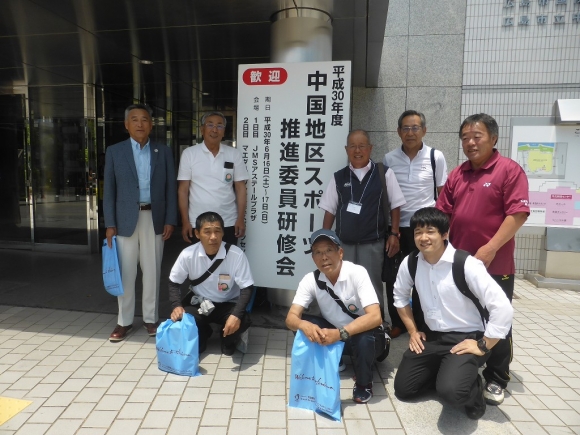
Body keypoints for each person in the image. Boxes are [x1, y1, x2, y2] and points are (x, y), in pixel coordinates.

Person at [436, 113, 529, 406]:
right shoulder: (457, 174)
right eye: (465, 138)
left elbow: (518, 214)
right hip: (459, 266)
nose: (470, 142)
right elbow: (443, 215)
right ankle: (464, 365)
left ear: (493, 138)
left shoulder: (509, 171)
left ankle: (497, 377)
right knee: (464, 315)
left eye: (477, 136)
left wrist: (490, 248)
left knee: (497, 318)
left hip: (495, 265)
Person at [393, 207, 513, 420]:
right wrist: (412, 331)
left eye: (430, 231)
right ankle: (449, 374)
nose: (423, 237)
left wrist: (483, 344)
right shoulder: (411, 262)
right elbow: (400, 297)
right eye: (418, 232)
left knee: (451, 393)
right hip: (431, 337)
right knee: (404, 389)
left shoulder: (466, 264)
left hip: (466, 339)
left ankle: (471, 389)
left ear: (444, 234)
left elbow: (502, 306)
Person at [104, 103, 177, 342]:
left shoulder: (163, 151)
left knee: (152, 270)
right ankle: (123, 321)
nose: (139, 124)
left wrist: (170, 219)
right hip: (125, 220)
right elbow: (109, 191)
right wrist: (110, 223)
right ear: (126, 125)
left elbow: (170, 189)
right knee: (125, 273)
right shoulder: (115, 151)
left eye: (144, 119)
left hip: (154, 218)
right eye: (134, 119)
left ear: (151, 124)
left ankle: (150, 318)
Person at [318, 129, 405, 324]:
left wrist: (394, 234)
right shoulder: (339, 177)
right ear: (346, 149)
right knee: (343, 285)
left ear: (370, 148)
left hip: (372, 244)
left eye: (362, 146)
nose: (357, 150)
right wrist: (325, 241)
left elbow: (396, 205)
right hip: (343, 246)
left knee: (372, 287)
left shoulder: (384, 174)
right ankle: (344, 324)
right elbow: (329, 210)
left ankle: (376, 329)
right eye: (353, 146)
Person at [286, 229, 382, 403]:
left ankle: (364, 383)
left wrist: (340, 334)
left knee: (364, 336)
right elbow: (291, 318)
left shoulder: (357, 273)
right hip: (338, 338)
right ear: (313, 258)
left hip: (369, 340)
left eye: (329, 250)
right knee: (305, 323)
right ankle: (334, 360)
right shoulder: (310, 280)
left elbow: (375, 317)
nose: (324, 257)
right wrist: (303, 325)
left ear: (340, 252)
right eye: (317, 252)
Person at [383, 110, 448, 337]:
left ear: (424, 130)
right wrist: (391, 231)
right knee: (393, 277)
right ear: (399, 131)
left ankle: (422, 325)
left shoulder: (435, 157)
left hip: (425, 229)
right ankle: (398, 323)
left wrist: (442, 231)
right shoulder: (389, 159)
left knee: (425, 277)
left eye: (415, 128)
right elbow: (387, 195)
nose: (411, 133)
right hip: (397, 228)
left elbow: (443, 194)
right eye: (406, 128)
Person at [168, 212, 254, 356]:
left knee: (243, 319)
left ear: (223, 233)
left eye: (217, 231)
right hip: (200, 302)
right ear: (197, 234)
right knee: (182, 320)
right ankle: (203, 332)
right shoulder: (188, 254)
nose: (213, 237)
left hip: (227, 304)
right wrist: (176, 305)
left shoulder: (236, 254)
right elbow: (173, 282)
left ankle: (226, 338)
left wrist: (236, 315)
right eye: (207, 232)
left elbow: (247, 288)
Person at [177, 112, 249, 245]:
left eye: (219, 126)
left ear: (224, 131)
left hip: (228, 220)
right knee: (199, 263)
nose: (214, 129)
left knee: (226, 261)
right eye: (210, 125)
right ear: (202, 129)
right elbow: (183, 190)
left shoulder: (233, 154)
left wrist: (240, 219)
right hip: (197, 222)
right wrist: (185, 221)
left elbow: (240, 188)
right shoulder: (189, 154)